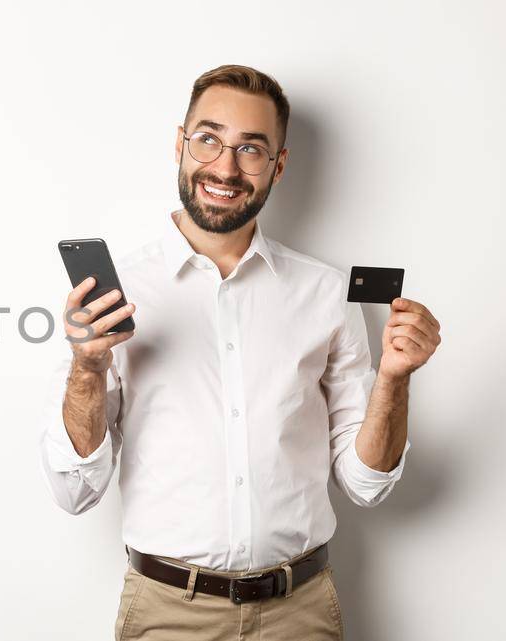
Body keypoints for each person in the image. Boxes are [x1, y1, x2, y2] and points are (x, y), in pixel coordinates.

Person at [39, 65, 443, 640]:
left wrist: (396, 379)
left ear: (278, 165)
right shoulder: (115, 295)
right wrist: (86, 369)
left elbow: (366, 485)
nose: (225, 168)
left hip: (299, 614)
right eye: (208, 139)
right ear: (180, 144)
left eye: (250, 149)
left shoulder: (327, 293)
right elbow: (74, 491)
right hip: (167, 615)